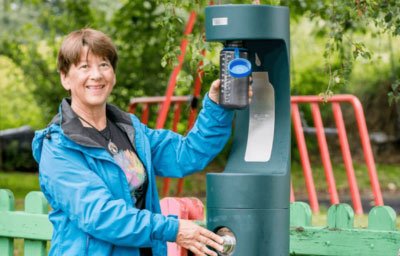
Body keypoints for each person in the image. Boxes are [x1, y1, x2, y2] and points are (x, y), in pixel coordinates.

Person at [32, 28, 239, 256]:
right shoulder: (59, 147)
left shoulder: (129, 131)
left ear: (113, 73)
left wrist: (216, 105)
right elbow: (101, 215)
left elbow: (187, 154)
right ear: (65, 77)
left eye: (104, 65)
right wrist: (173, 229)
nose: (97, 75)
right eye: (84, 67)